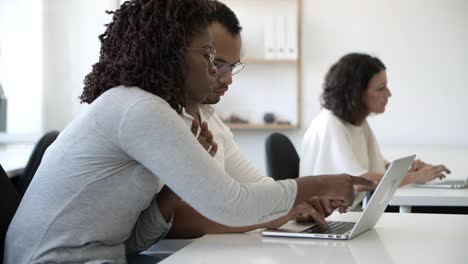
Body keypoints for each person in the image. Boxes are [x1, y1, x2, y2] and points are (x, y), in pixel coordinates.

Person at [4, 1, 373, 263]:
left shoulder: (156, 112)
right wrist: (320, 183)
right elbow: (232, 204)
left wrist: (170, 189)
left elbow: (130, 238)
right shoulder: (137, 107)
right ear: (170, 53)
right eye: (210, 57)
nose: (217, 72)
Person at [164, 1, 370, 239]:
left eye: (232, 66)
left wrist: (297, 202)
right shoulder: (161, 117)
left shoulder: (209, 116)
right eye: (216, 63)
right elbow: (167, 221)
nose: (228, 79)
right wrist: (268, 214)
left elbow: (256, 185)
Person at [300, 53, 450, 206]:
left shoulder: (358, 122)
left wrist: (407, 171)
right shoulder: (330, 124)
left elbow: (375, 168)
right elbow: (359, 181)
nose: (389, 94)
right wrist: (414, 178)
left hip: (348, 214)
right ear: (356, 93)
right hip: (327, 220)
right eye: (380, 88)